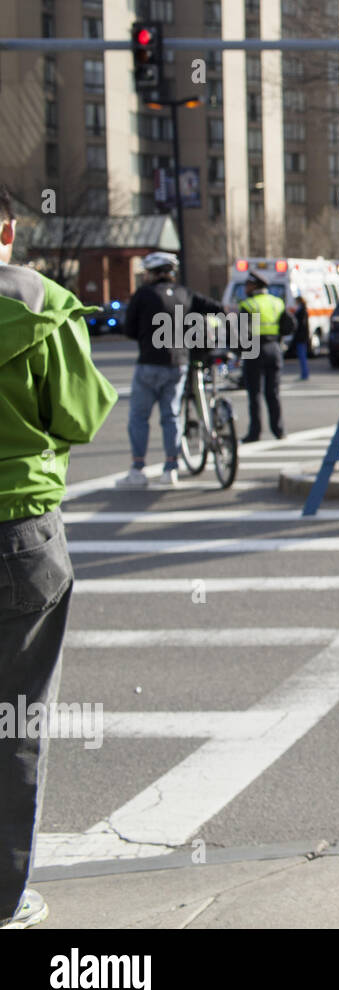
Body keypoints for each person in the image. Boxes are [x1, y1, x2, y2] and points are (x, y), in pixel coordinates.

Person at [0, 182, 117, 929]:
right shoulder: (40, 305)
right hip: (20, 535)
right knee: (14, 719)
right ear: (6, 231)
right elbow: (79, 414)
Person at [119, 251, 224, 486]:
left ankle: (138, 468)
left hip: (149, 362)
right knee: (172, 416)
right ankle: (171, 467)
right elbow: (216, 308)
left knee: (139, 417)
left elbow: (129, 330)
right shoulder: (184, 293)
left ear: (152, 273)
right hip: (178, 363)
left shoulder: (144, 295)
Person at [236, 271, 294, 442]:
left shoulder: (248, 304)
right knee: (273, 392)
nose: (246, 288)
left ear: (255, 286)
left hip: (254, 349)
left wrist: (239, 351)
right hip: (274, 348)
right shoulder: (277, 303)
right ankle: (279, 430)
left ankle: (255, 432)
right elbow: (290, 326)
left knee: (254, 394)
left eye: (248, 284)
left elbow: (242, 332)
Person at [291, 295, 310, 380]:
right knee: (302, 356)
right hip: (303, 337)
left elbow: (301, 325)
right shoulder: (303, 310)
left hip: (301, 337)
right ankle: (304, 374)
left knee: (302, 357)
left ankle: (304, 374)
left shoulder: (301, 311)